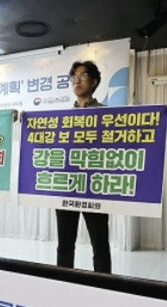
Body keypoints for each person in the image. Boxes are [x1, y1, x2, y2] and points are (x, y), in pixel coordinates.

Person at [56, 61, 112, 273]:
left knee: (100, 243)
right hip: (67, 184)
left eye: (83, 76)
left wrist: (162, 114)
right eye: (74, 77)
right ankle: (63, 285)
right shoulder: (61, 118)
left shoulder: (107, 113)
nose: (77, 81)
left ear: (94, 82)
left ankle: (103, 286)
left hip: (94, 186)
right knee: (64, 244)